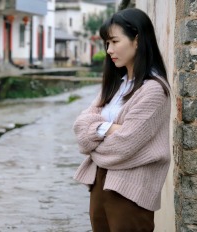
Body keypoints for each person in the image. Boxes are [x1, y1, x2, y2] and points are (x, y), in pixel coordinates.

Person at [73, 8, 171, 232]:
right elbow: (80, 127)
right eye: (107, 43)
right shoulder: (116, 84)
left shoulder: (153, 90)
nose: (109, 50)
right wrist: (108, 128)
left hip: (130, 188)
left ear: (137, 40)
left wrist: (96, 136)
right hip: (99, 182)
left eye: (115, 41)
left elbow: (125, 144)